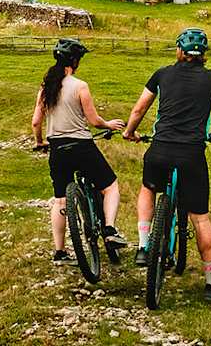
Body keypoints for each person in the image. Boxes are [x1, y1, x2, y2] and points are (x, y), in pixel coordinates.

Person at [124, 27, 211, 302]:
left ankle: (143, 246)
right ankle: (210, 284)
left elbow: (139, 108)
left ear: (179, 50)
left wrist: (129, 132)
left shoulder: (162, 74)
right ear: (203, 54)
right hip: (192, 155)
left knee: (148, 188)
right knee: (200, 218)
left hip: (160, 148)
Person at [31, 38, 129, 265]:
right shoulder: (80, 86)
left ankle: (60, 252)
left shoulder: (46, 87)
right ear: (74, 61)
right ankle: (109, 229)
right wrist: (108, 124)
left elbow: (36, 122)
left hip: (57, 148)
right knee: (110, 186)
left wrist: (40, 142)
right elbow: (94, 120)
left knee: (60, 201)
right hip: (82, 147)